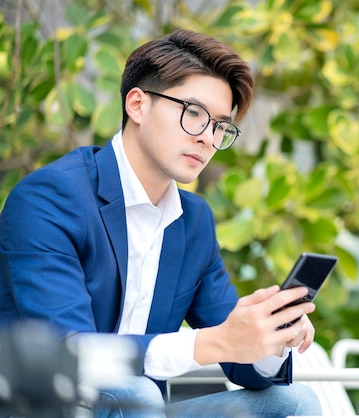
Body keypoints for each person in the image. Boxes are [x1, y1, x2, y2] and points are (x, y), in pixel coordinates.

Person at [0, 29, 322, 418]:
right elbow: (70, 353)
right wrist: (211, 344)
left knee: (294, 403)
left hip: (137, 410)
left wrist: (268, 341)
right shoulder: (50, 197)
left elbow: (241, 364)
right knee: (140, 394)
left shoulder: (194, 221)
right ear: (137, 105)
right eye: (194, 114)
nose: (207, 138)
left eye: (220, 126)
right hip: (45, 406)